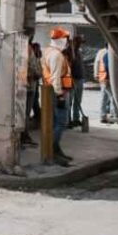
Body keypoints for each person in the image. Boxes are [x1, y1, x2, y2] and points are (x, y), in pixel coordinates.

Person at [42, 28, 73, 166]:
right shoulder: (56, 55)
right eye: (66, 39)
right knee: (61, 123)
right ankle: (52, 150)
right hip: (58, 93)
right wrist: (60, 95)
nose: (67, 42)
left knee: (55, 123)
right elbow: (55, 78)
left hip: (51, 93)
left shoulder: (48, 52)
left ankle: (56, 149)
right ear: (61, 40)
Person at [95, 46, 118, 123]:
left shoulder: (103, 53)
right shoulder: (108, 55)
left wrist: (96, 74)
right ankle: (114, 115)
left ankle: (102, 116)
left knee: (104, 98)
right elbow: (108, 67)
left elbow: (97, 63)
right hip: (107, 79)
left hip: (103, 79)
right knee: (113, 98)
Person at [68, 34, 86, 128]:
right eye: (79, 43)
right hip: (73, 79)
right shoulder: (70, 52)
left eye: (81, 43)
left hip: (80, 79)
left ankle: (76, 119)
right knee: (70, 101)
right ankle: (68, 120)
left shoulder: (79, 52)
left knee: (78, 101)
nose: (80, 45)